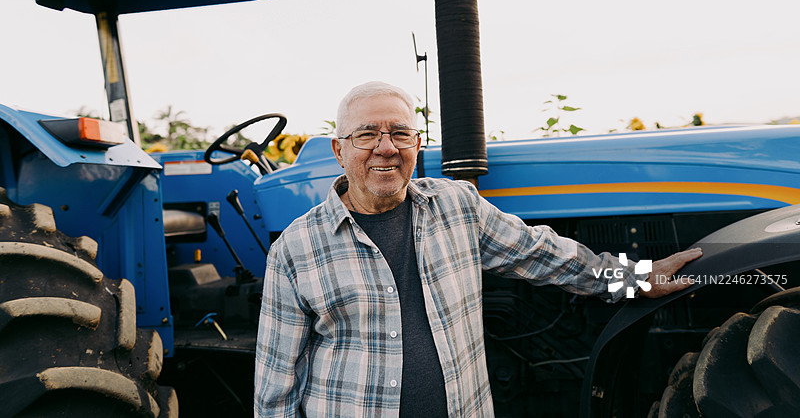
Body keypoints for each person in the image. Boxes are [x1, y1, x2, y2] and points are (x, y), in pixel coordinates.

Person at [254, 81, 702, 417]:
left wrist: (636, 277)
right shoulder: (296, 249)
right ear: (339, 149)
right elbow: (277, 385)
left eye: (400, 134)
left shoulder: (457, 207)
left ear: (417, 144)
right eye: (367, 135)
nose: (386, 148)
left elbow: (541, 254)